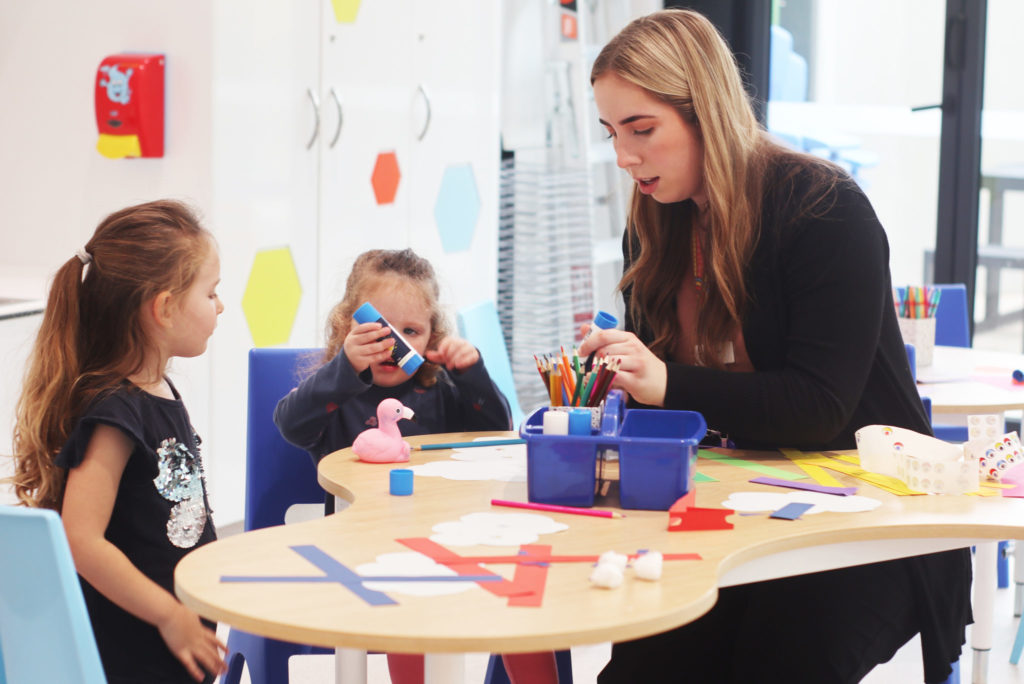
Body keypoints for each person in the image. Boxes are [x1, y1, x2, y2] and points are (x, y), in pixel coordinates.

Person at [577, 9, 970, 684]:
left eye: (642, 130)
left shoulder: (823, 209)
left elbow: (818, 405)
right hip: (734, 510)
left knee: (776, 663)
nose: (624, 156)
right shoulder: (653, 229)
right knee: (642, 670)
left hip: (868, 521)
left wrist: (666, 381)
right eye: (612, 133)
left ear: (706, 110)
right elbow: (671, 418)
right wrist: (619, 389)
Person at [274, 247, 559, 684]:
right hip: (367, 554)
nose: (394, 344)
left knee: (523, 586)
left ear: (430, 336)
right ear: (347, 328)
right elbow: (291, 424)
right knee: (412, 600)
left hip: (453, 542)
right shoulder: (336, 394)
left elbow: (495, 429)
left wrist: (471, 373)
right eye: (379, 330)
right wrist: (345, 368)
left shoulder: (439, 387)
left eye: (410, 330)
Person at [9, 200, 228, 683]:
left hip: (171, 636)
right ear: (165, 308)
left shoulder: (160, 390)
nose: (221, 306)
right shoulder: (114, 413)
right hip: (135, 646)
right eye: (211, 293)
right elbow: (81, 540)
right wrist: (170, 617)